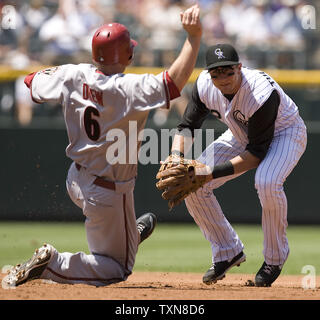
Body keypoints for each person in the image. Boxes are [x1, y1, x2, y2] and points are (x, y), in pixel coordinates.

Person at [3, 4, 202, 287]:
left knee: (119, 234)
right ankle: (54, 264)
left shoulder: (73, 74)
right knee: (117, 268)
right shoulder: (129, 88)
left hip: (76, 178)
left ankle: (128, 234)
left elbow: (31, 83)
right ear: (129, 55)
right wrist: (194, 38)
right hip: (107, 192)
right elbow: (175, 81)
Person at [163, 43, 307, 287]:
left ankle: (275, 259)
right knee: (191, 185)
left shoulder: (260, 93)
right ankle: (228, 251)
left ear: (240, 68)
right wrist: (176, 156)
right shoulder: (205, 85)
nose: (223, 78)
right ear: (209, 74)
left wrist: (208, 173)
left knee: (267, 181)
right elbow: (187, 126)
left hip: (285, 133)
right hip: (241, 133)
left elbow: (254, 156)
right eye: (216, 73)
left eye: (228, 71)